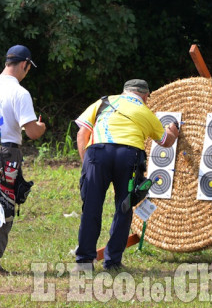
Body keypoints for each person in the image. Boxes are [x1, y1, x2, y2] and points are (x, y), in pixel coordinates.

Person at [74, 79, 179, 271]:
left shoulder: (103, 102)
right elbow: (165, 141)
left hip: (97, 153)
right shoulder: (146, 112)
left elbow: (82, 133)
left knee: (91, 207)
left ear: (124, 92)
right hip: (128, 157)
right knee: (124, 208)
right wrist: (173, 130)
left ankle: (84, 262)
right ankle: (112, 262)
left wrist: (86, 165)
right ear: (145, 96)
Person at [0, 45, 46, 276]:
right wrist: (41, 126)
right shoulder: (19, 93)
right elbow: (32, 132)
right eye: (28, 68)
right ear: (24, 64)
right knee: (2, 208)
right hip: (7, 154)